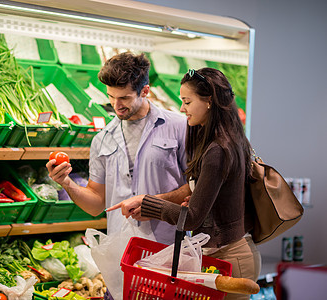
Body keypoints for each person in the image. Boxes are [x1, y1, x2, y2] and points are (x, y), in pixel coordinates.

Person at [108, 68, 261, 300]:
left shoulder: (217, 149)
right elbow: (205, 194)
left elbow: (192, 218)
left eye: (187, 101)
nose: (182, 109)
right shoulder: (226, 139)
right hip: (222, 254)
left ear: (209, 101)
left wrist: (149, 205)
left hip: (231, 258)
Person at [46, 52, 188, 244]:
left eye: (124, 98)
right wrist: (66, 183)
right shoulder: (103, 139)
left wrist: (153, 205)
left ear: (145, 91)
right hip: (121, 247)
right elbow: (96, 204)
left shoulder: (179, 126)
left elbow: (196, 186)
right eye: (111, 97)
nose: (116, 105)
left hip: (168, 245)